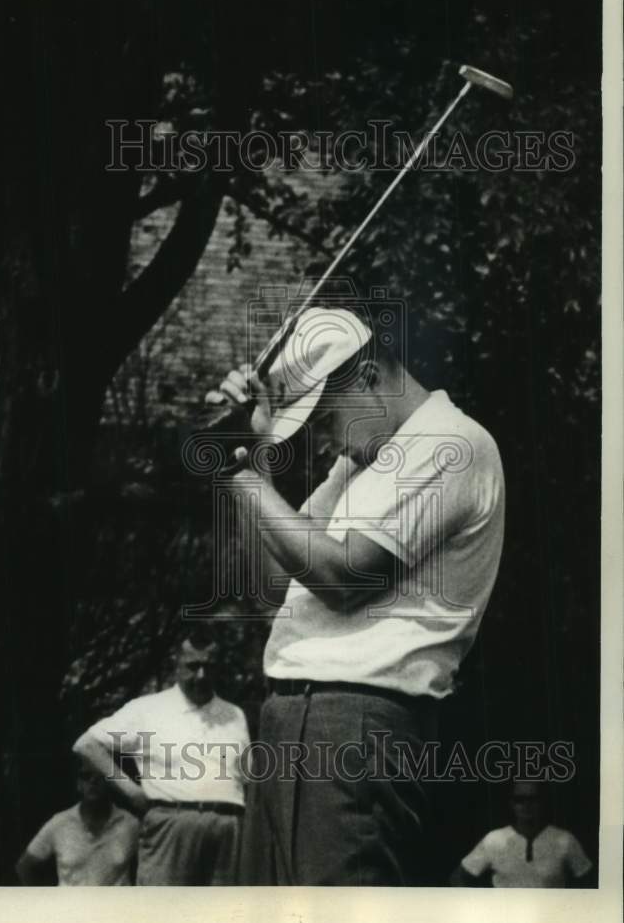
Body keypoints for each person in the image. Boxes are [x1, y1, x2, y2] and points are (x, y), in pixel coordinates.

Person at [207, 304, 505, 885]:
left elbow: (343, 578)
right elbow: (276, 587)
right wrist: (250, 458)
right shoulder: (362, 461)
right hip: (291, 717)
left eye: (324, 418)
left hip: (358, 725)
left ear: (367, 376)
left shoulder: (452, 442)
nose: (321, 442)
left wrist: (237, 475)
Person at [72, 628, 251, 885]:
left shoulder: (234, 714)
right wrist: (130, 790)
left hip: (228, 832)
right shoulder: (147, 709)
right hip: (170, 828)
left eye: (209, 667)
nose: (201, 675)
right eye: (193, 666)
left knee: (225, 910)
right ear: (176, 665)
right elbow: (87, 745)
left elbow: (246, 779)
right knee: (162, 909)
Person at [15, 758, 139, 886]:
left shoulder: (130, 824)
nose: (93, 781)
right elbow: (24, 867)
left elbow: (149, 868)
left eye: (100, 775)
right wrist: (44, 898)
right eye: (86, 776)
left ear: (111, 782)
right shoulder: (59, 823)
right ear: (78, 784)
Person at [452, 780, 594, 888]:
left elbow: (589, 880)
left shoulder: (565, 840)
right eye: (519, 800)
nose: (526, 805)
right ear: (511, 804)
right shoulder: (494, 839)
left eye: (533, 799)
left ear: (542, 802)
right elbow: (458, 878)